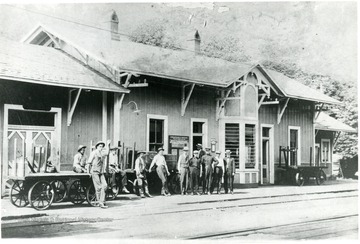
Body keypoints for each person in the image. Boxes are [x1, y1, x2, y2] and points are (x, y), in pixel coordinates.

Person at [87, 140, 111, 209]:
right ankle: (100, 202)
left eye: (102, 147)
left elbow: (107, 153)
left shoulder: (102, 153)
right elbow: (89, 162)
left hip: (101, 172)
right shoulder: (94, 153)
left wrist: (108, 145)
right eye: (100, 146)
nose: (101, 148)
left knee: (105, 186)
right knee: (98, 187)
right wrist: (88, 172)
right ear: (97, 147)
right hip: (94, 171)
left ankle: (101, 201)